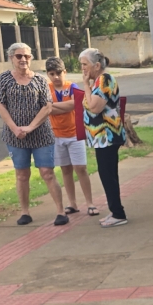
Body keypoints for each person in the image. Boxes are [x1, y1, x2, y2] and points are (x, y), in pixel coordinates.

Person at [0, 42, 67, 228]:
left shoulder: (40, 79)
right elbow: (1, 106)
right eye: (19, 56)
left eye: (27, 56)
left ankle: (61, 211)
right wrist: (15, 128)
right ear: (11, 58)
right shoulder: (3, 79)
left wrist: (31, 127)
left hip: (41, 134)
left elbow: (47, 106)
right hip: (15, 136)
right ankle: (25, 212)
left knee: (47, 172)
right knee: (22, 174)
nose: (23, 59)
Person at [79, 48, 128, 228]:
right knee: (107, 174)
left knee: (108, 175)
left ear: (97, 65)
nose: (82, 68)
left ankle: (118, 213)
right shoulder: (98, 81)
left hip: (107, 135)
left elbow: (94, 107)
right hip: (101, 138)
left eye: (85, 64)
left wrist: (85, 85)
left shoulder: (105, 79)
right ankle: (115, 211)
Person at [45, 57, 97, 217]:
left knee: (81, 168)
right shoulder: (46, 89)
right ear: (48, 74)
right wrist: (56, 107)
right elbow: (44, 109)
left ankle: (90, 203)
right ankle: (72, 203)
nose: (56, 77)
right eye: (52, 74)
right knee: (65, 169)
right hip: (56, 135)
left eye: (59, 73)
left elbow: (75, 104)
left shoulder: (72, 86)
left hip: (74, 134)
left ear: (65, 72)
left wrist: (51, 107)